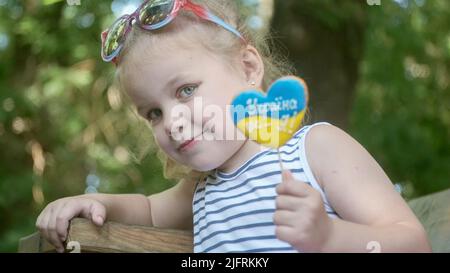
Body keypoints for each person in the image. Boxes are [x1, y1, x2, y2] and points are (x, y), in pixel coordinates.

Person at [36, 0, 430, 253]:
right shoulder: (201, 187)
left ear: (248, 68)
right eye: (152, 112)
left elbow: (412, 243)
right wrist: (96, 203)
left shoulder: (315, 149)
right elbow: (148, 212)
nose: (171, 120)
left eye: (186, 90)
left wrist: (329, 238)